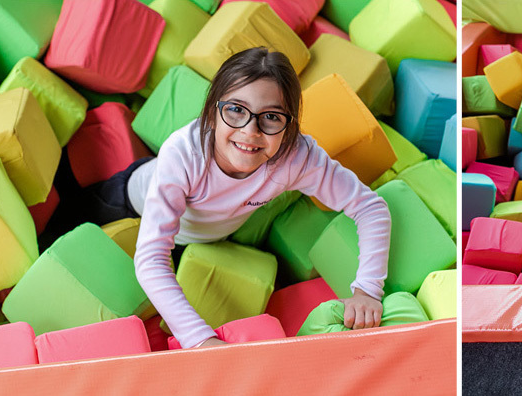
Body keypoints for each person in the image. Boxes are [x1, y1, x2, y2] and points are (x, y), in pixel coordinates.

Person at [57, 47, 391, 349]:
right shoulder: (184, 153)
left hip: (207, 237)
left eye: (271, 117)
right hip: (127, 199)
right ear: (212, 111)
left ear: (289, 126)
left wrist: (367, 291)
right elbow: (150, 258)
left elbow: (370, 206)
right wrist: (200, 341)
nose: (250, 131)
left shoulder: (296, 157)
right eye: (235, 110)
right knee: (65, 222)